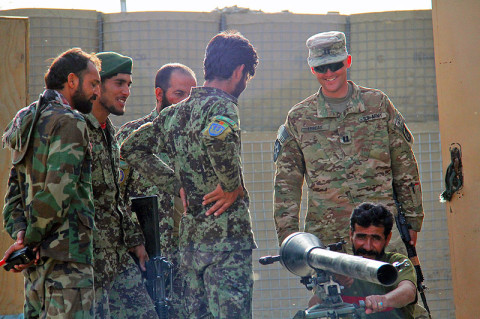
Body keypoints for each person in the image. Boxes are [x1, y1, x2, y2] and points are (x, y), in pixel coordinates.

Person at [120, 30, 258, 318]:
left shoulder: (176, 112)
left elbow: (132, 147)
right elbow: (216, 138)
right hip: (227, 241)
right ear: (239, 71)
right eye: (247, 77)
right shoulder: (223, 105)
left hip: (191, 243)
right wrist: (232, 185)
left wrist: (176, 184)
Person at [273, 31, 424, 254]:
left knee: (393, 288)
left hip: (381, 235)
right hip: (329, 240)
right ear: (312, 68)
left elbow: (404, 166)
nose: (329, 73)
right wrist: (289, 239)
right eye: (321, 68)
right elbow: (287, 184)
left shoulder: (378, 106)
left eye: (335, 65)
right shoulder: (300, 118)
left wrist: (412, 220)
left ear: (348, 61)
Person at [2, 48, 100, 318]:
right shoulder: (70, 122)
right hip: (66, 265)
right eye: (93, 84)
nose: (97, 93)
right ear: (72, 81)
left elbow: (13, 196)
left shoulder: (27, 118)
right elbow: (57, 195)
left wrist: (22, 237)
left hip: (35, 269)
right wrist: (30, 241)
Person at [116, 63, 197, 318]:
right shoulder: (132, 136)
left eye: (192, 95)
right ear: (159, 94)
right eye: (179, 94)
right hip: (143, 260)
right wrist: (134, 242)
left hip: (188, 263)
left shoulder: (200, 141)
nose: (187, 102)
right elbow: (114, 198)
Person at [83, 51, 158, 318]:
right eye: (119, 83)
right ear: (96, 85)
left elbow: (114, 197)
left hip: (116, 257)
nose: (126, 91)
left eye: (129, 84)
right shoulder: (75, 129)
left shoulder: (108, 132)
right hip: (85, 261)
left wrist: (136, 241)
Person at [336, 202, 418, 318]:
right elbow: (313, 305)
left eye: (375, 238)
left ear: (388, 238)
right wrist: (335, 286)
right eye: (361, 237)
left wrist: (382, 300)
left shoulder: (396, 262)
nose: (368, 247)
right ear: (351, 235)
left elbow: (408, 292)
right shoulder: (340, 267)